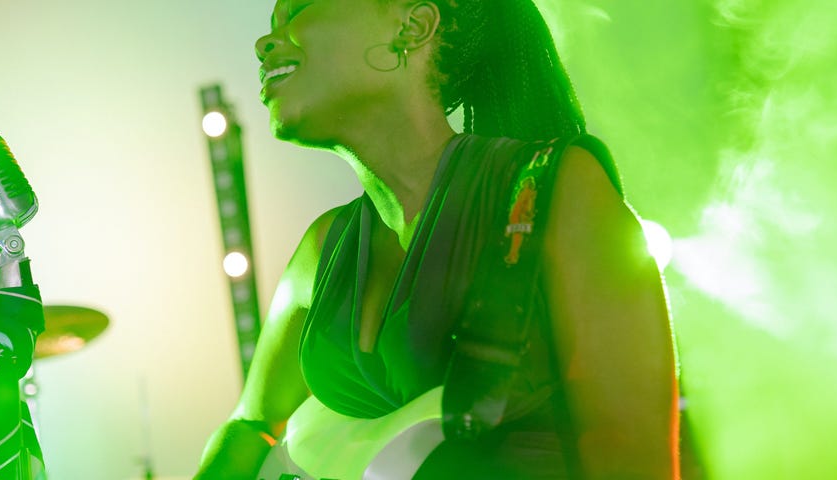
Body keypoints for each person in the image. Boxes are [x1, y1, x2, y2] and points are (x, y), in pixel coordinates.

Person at [195, 0, 678, 477]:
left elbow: (633, 454)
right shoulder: (322, 250)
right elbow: (251, 421)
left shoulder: (550, 189)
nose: (264, 43)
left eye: (298, 10)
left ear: (412, 25)